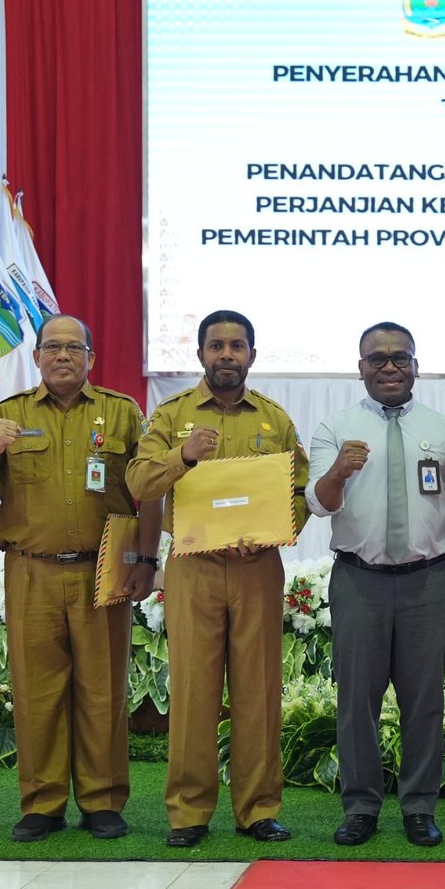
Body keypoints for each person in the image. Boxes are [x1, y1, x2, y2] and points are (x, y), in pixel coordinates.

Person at [0, 314, 162, 842]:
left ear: (91, 358)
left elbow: (150, 486)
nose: (63, 356)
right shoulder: (8, 415)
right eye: (53, 347)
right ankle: (42, 803)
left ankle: (102, 801)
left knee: (102, 690)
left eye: (74, 348)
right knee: (36, 692)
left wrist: (145, 559)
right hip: (32, 571)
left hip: (102, 570)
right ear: (37, 356)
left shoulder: (121, 413)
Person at [127, 310, 310, 847]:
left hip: (257, 567)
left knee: (258, 690)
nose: (226, 355)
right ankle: (188, 811)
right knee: (192, 690)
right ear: (200, 354)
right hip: (194, 568)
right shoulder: (172, 415)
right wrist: (182, 455)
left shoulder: (273, 420)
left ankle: (258, 809)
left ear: (253, 354)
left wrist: (275, 529)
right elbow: (138, 479)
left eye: (236, 346)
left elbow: (297, 494)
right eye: (216, 346)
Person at [306, 322, 445, 848]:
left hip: (429, 582)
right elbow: (319, 504)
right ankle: (360, 807)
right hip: (359, 581)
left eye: (399, 358)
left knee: (423, 699)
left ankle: (419, 808)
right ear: (360, 368)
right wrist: (338, 470)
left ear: (416, 366)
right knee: (356, 700)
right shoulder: (335, 428)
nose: (388, 367)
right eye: (376, 359)